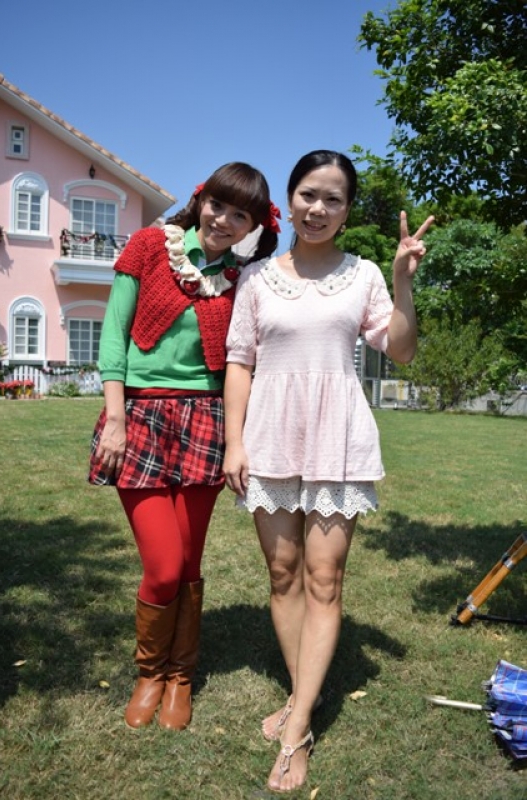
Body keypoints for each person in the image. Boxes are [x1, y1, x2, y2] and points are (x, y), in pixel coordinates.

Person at [223, 150, 433, 792]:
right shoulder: (256, 278)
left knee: (323, 578)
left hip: (337, 438)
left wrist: (402, 281)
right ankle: (302, 695)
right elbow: (240, 362)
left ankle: (297, 729)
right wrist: (234, 444)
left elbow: (401, 349)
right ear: (290, 201)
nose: (318, 208)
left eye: (333, 199)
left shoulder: (363, 275)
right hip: (269, 437)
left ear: (346, 212)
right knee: (283, 573)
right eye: (309, 195)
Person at [89, 162, 280, 732]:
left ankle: (180, 676)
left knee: (189, 561)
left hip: (205, 421)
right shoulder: (151, 247)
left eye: (240, 215)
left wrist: (239, 436)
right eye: (218, 205)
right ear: (202, 199)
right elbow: (113, 334)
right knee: (164, 564)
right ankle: (149, 673)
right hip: (140, 416)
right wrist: (116, 418)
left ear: (253, 227)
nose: (224, 220)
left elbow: (244, 361)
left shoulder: (243, 279)